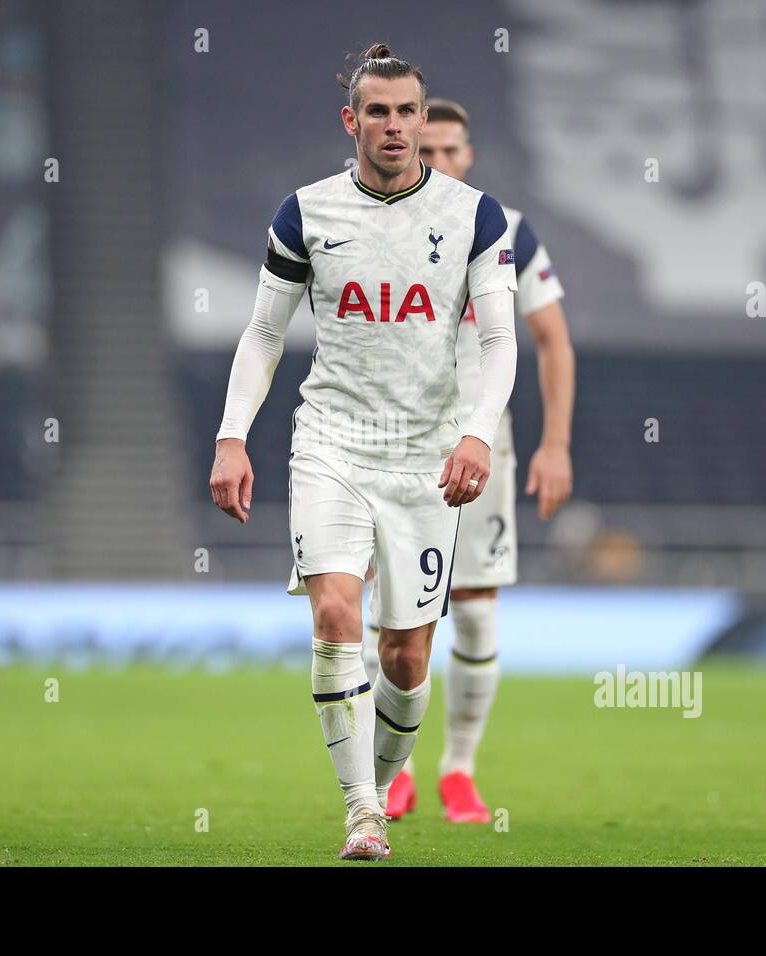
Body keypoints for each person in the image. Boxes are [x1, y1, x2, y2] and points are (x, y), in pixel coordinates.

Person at [210, 46, 517, 860]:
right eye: (375, 111)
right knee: (336, 615)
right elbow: (265, 332)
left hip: (425, 460)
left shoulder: (473, 217)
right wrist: (231, 436)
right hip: (332, 443)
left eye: (405, 111)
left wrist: (477, 432)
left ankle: (377, 788)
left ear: (423, 118)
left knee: (407, 655)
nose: (392, 125)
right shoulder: (305, 213)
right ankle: (362, 812)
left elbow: (500, 340)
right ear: (351, 121)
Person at [364, 97, 575, 823]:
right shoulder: (376, 222)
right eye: (433, 151)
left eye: (455, 151)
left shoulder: (507, 230)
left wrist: (554, 443)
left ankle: (459, 771)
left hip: (483, 447)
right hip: (392, 442)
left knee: (477, 614)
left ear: (470, 154)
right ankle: (394, 771)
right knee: (387, 617)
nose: (445, 163)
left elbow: (551, 340)